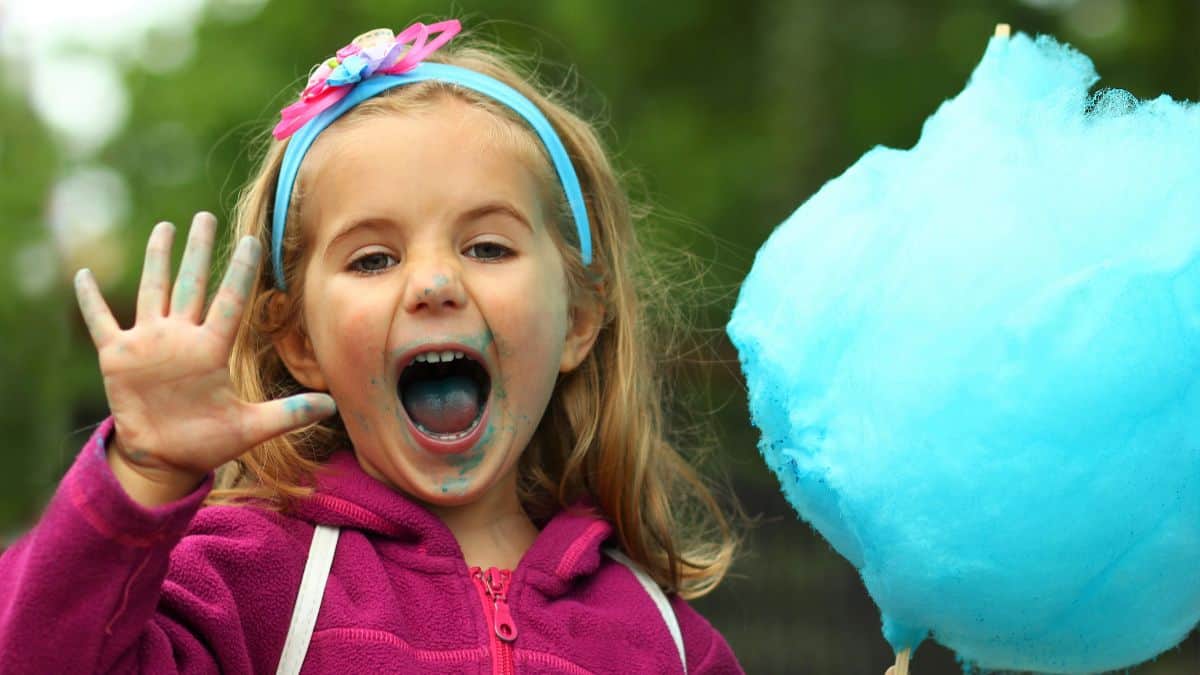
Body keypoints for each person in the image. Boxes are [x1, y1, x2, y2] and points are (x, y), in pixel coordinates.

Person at [0, 19, 743, 674]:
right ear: (299, 341)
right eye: (373, 260)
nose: (434, 281)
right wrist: (144, 472)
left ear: (580, 318)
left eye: (487, 246)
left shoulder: (669, 641)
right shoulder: (246, 580)